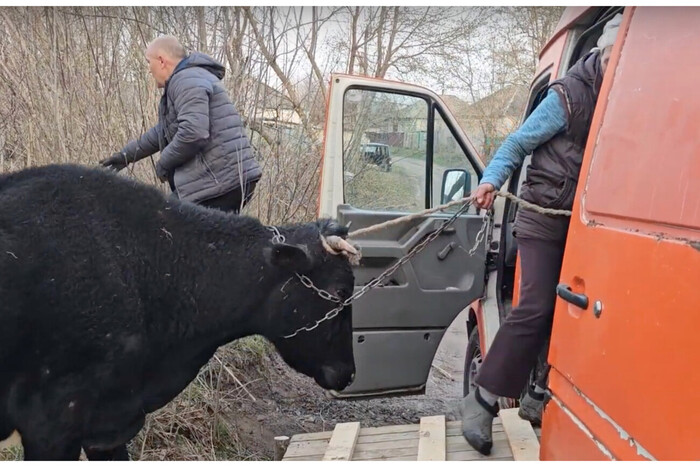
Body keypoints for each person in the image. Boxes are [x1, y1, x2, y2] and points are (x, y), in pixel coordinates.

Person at [460, 14, 623, 455]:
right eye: (615, 62)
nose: (617, 71)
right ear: (604, 56)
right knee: (534, 305)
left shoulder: (621, 96)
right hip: (541, 218)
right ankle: (482, 400)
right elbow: (516, 144)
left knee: (578, 309)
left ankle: (538, 396)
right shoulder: (568, 95)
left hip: (580, 224)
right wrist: (491, 180)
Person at [100, 35, 262, 214]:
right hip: (227, 179)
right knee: (196, 236)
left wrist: (164, 163)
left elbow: (193, 133)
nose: (148, 70)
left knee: (166, 228)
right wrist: (125, 156)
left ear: (161, 61)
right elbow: (162, 132)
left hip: (219, 183)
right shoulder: (191, 77)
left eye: (148, 62)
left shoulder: (185, 80)